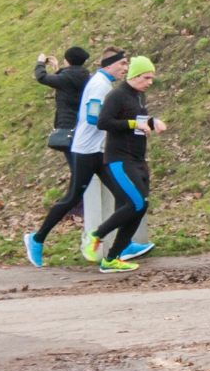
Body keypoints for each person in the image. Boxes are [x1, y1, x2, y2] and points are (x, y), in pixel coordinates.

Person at [30, 49, 127, 266]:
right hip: (86, 150)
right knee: (73, 197)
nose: (126, 68)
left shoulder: (101, 81)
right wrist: (123, 124)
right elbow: (94, 117)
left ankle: (122, 243)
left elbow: (94, 115)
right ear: (109, 64)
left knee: (124, 197)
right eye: (122, 63)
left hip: (96, 148)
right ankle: (37, 239)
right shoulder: (98, 83)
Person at [87, 56, 167, 273]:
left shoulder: (139, 96)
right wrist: (137, 123)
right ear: (134, 76)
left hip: (139, 159)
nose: (150, 82)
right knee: (135, 204)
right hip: (119, 159)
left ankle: (111, 259)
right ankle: (96, 235)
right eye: (146, 77)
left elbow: (138, 120)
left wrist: (152, 122)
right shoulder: (117, 95)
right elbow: (103, 122)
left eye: (152, 77)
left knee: (141, 208)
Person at [23, 47, 94, 266]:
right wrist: (59, 70)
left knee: (77, 182)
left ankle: (73, 211)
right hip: (84, 133)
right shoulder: (87, 77)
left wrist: (40, 61)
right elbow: (66, 81)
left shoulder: (65, 78)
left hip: (68, 132)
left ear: (67, 60)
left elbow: (41, 78)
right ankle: (83, 214)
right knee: (80, 181)